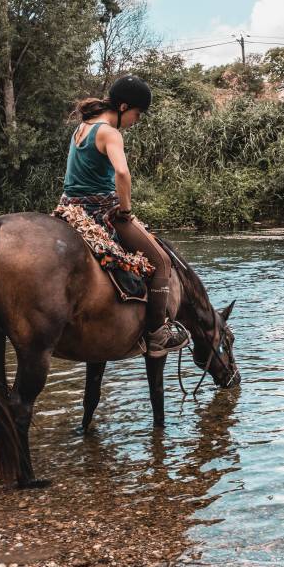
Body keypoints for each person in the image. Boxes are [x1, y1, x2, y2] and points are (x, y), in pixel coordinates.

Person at [61, 74, 190, 356]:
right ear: (122, 108)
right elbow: (122, 172)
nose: (137, 120)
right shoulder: (110, 132)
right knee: (162, 262)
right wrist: (126, 210)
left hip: (70, 210)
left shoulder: (82, 128)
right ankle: (157, 334)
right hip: (100, 212)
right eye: (137, 113)